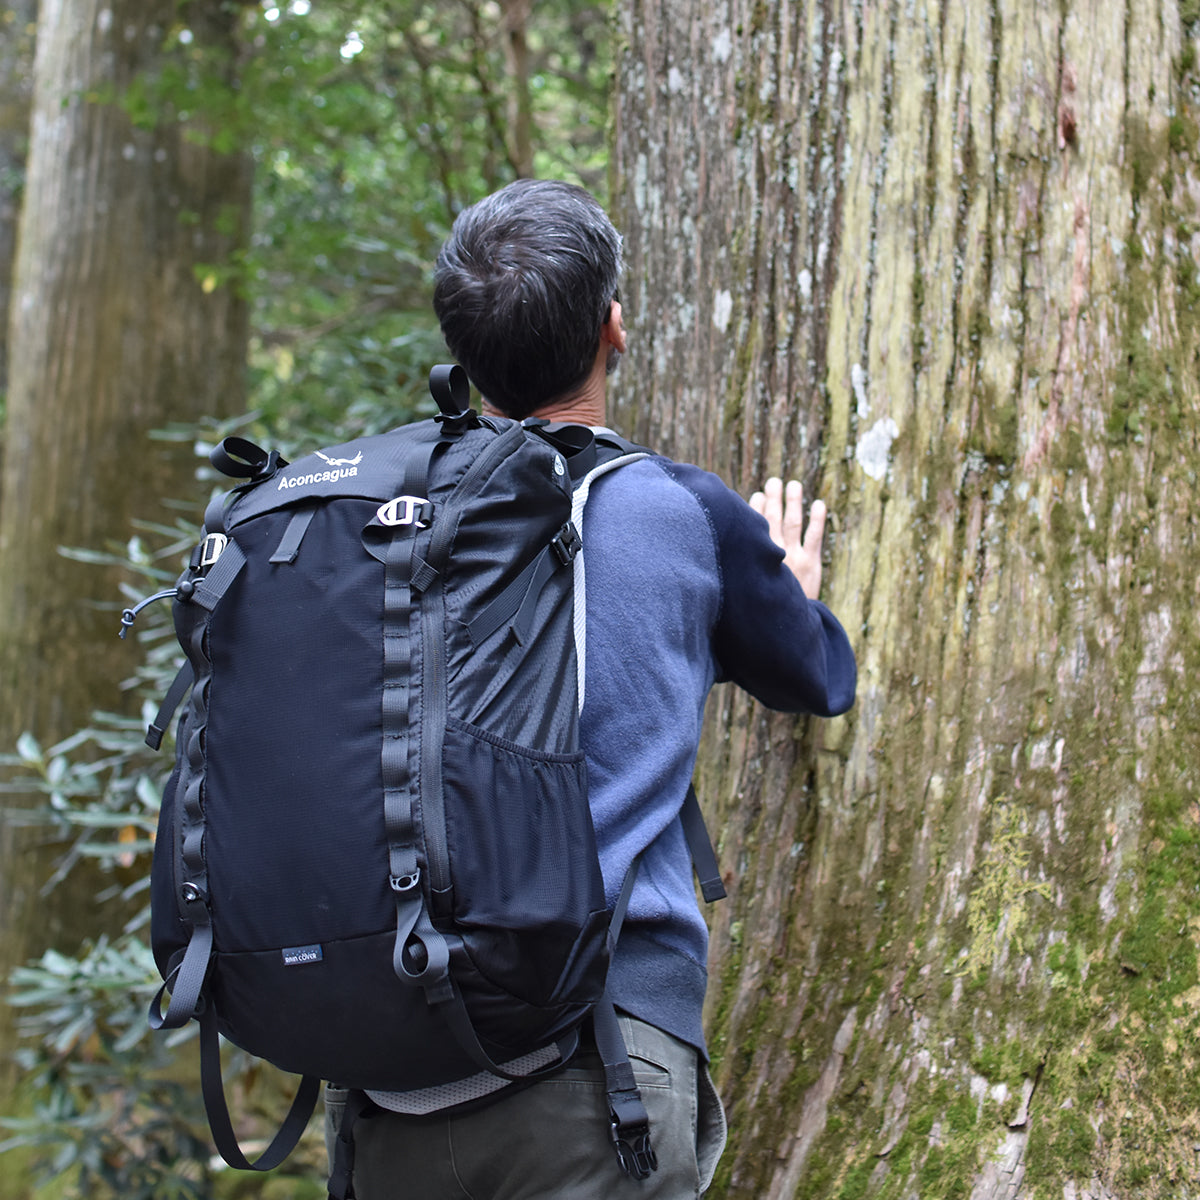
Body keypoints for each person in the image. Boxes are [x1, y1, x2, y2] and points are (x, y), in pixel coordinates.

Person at [325, 178, 857, 1199]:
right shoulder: (674, 513)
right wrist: (793, 587)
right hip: (598, 1068)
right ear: (613, 325)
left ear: (462, 352)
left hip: (389, 1083)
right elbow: (816, 677)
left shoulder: (376, 525)